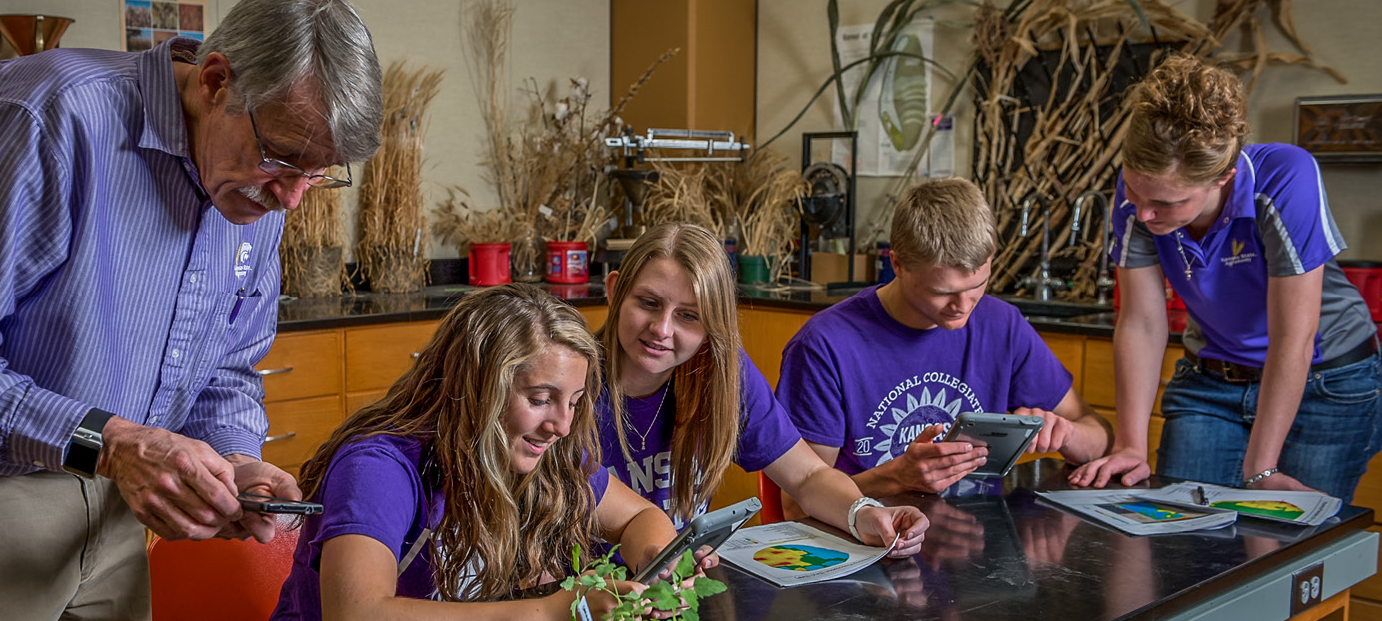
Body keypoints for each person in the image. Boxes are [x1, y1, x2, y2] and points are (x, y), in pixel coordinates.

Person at [0, 0, 382, 619]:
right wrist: (111, 443)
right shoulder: (46, 117)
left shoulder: (257, 186)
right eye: (281, 159)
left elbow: (228, 365)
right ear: (214, 80)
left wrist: (233, 460)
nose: (290, 199)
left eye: (316, 176)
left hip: (111, 504)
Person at [1071, 54, 1382, 505]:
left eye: (1167, 201)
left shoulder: (1284, 178)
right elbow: (1141, 321)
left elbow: (1293, 338)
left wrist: (1261, 468)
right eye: (1135, 190)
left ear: (1224, 177)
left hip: (1325, 380)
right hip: (1211, 379)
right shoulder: (1140, 193)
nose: (1143, 212)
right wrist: (1129, 446)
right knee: (1177, 543)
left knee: (1288, 556)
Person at [271, 284, 682, 620]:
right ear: (477, 391)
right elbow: (356, 613)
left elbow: (641, 517)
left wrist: (655, 559)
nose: (562, 426)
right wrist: (549, 611)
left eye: (573, 401)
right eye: (540, 399)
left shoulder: (537, 451)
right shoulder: (378, 468)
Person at [596, 223, 929, 556]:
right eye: (649, 303)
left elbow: (808, 476)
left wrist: (864, 513)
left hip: (679, 588)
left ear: (714, 324)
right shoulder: (571, 387)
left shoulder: (721, 374)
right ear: (614, 290)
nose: (662, 329)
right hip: (582, 593)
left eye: (688, 316)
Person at [778, 178, 1114, 496]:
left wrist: (1067, 435)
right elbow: (798, 501)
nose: (963, 307)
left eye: (977, 285)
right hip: (864, 544)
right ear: (896, 263)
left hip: (979, 540)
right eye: (941, 292)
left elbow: (1100, 436)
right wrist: (897, 477)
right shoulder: (824, 345)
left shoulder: (1001, 324)